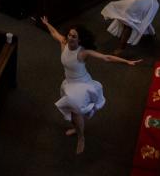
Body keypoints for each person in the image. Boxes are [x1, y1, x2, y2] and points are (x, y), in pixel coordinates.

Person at [39, 16, 140, 155]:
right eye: (69, 35)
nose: (70, 38)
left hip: (81, 84)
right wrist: (47, 23)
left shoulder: (82, 53)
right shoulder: (63, 42)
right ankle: (77, 128)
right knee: (73, 111)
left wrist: (127, 62)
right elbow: (54, 33)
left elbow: (106, 57)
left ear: (79, 40)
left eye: (74, 36)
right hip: (69, 83)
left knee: (75, 112)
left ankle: (81, 137)